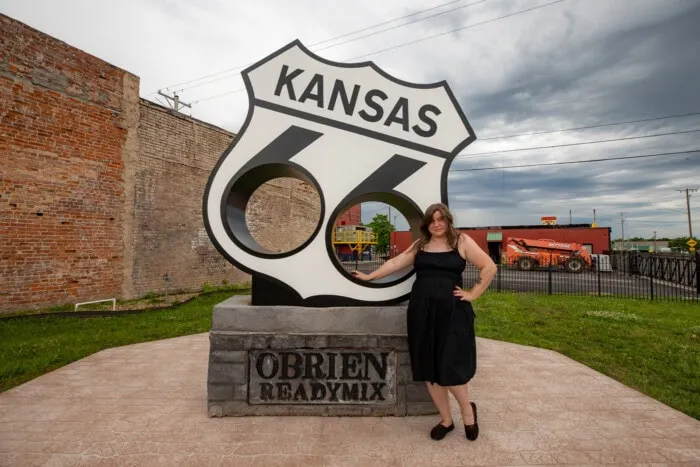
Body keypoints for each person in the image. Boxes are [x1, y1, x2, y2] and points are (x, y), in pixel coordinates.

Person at [352, 203, 497, 441]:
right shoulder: (421, 245)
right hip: (422, 312)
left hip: (451, 313)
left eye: (441, 219)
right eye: (432, 220)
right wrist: (370, 275)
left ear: (448, 220)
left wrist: (473, 294)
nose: (437, 224)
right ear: (427, 224)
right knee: (429, 367)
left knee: (450, 367)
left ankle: (468, 412)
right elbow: (395, 263)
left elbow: (489, 267)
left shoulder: (461, 241)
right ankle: (446, 420)